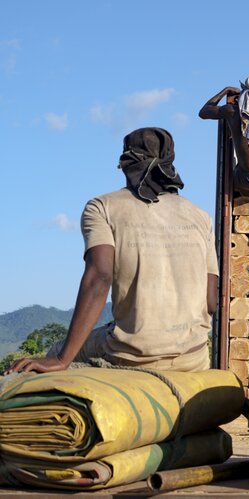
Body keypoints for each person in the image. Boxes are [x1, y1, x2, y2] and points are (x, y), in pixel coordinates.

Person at [7, 127, 218, 374]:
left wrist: (63, 359)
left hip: (134, 354)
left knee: (55, 351)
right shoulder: (200, 216)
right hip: (194, 357)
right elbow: (211, 301)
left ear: (127, 165)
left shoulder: (102, 207)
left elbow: (100, 278)